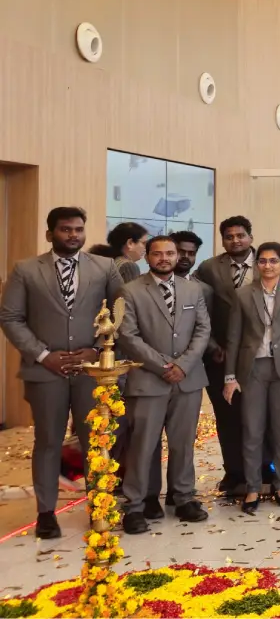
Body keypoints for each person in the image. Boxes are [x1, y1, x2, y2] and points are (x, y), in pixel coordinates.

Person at [0, 207, 123, 539]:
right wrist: (43, 355)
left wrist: (97, 350)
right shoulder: (26, 269)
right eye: (66, 229)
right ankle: (46, 513)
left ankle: (99, 507)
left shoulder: (105, 267)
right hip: (45, 371)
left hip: (91, 371)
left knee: (95, 440)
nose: (73, 235)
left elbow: (121, 311)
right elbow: (10, 317)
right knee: (48, 441)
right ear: (50, 233)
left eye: (78, 229)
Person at [117, 237, 210, 533]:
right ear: (147, 257)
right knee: (143, 445)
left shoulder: (193, 289)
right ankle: (136, 504)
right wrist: (163, 366)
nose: (164, 258)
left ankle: (183, 498)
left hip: (188, 379)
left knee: (183, 443)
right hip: (147, 379)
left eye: (170, 253)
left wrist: (183, 365)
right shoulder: (131, 290)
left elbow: (203, 329)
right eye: (157, 254)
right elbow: (128, 335)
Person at [223, 242, 280, 513]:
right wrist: (229, 377)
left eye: (274, 261)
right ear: (257, 264)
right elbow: (234, 337)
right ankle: (253, 487)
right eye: (262, 261)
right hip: (252, 368)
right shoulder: (243, 294)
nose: (268, 266)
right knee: (252, 428)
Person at [196, 216, 256, 493]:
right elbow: (200, 311)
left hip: (259, 354)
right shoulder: (209, 268)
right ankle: (234, 471)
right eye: (229, 236)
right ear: (222, 240)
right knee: (227, 415)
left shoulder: (268, 262)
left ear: (250, 237)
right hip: (220, 355)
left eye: (240, 235)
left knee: (258, 413)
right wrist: (211, 346)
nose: (235, 240)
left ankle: (262, 468)